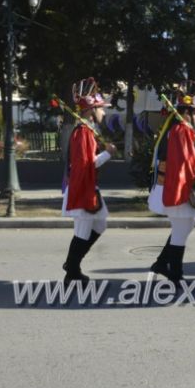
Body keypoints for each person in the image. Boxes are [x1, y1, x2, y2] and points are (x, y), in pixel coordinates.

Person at [149, 92, 195, 284]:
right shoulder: (181, 130)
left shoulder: (178, 129)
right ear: (187, 113)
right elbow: (185, 165)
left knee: (186, 225)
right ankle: (175, 275)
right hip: (172, 185)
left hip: (174, 184)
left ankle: (162, 263)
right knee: (182, 228)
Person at [61, 78, 116, 285]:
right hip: (82, 188)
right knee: (82, 232)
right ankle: (72, 270)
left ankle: (72, 265)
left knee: (99, 225)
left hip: (88, 187)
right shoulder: (83, 132)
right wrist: (108, 154)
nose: (104, 112)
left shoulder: (88, 131)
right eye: (101, 108)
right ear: (91, 110)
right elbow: (87, 165)